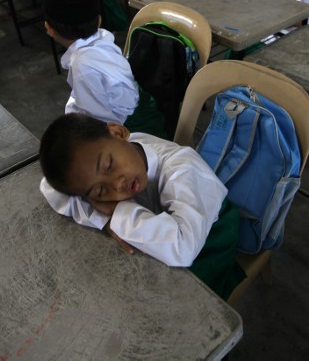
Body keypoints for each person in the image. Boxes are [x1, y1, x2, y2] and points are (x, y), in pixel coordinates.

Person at [38, 113, 245, 300]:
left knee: (178, 304)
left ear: (118, 132)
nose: (116, 184)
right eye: (100, 191)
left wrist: (117, 212)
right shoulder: (111, 155)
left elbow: (184, 248)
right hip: (166, 230)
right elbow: (49, 187)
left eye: (109, 165)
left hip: (210, 239)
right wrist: (106, 220)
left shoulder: (182, 169)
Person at [43, 0, 138, 124]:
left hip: (122, 130)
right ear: (99, 20)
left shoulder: (82, 66)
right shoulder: (104, 38)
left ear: (49, 28)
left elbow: (99, 122)